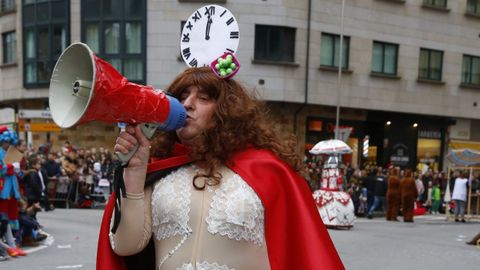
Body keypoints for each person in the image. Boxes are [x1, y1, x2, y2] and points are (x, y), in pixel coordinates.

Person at [97, 67, 344, 270]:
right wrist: (134, 174)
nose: (188, 104)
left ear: (229, 110)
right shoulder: (158, 171)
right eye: (182, 97)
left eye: (203, 98)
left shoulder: (268, 171)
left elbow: (303, 252)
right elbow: (125, 247)